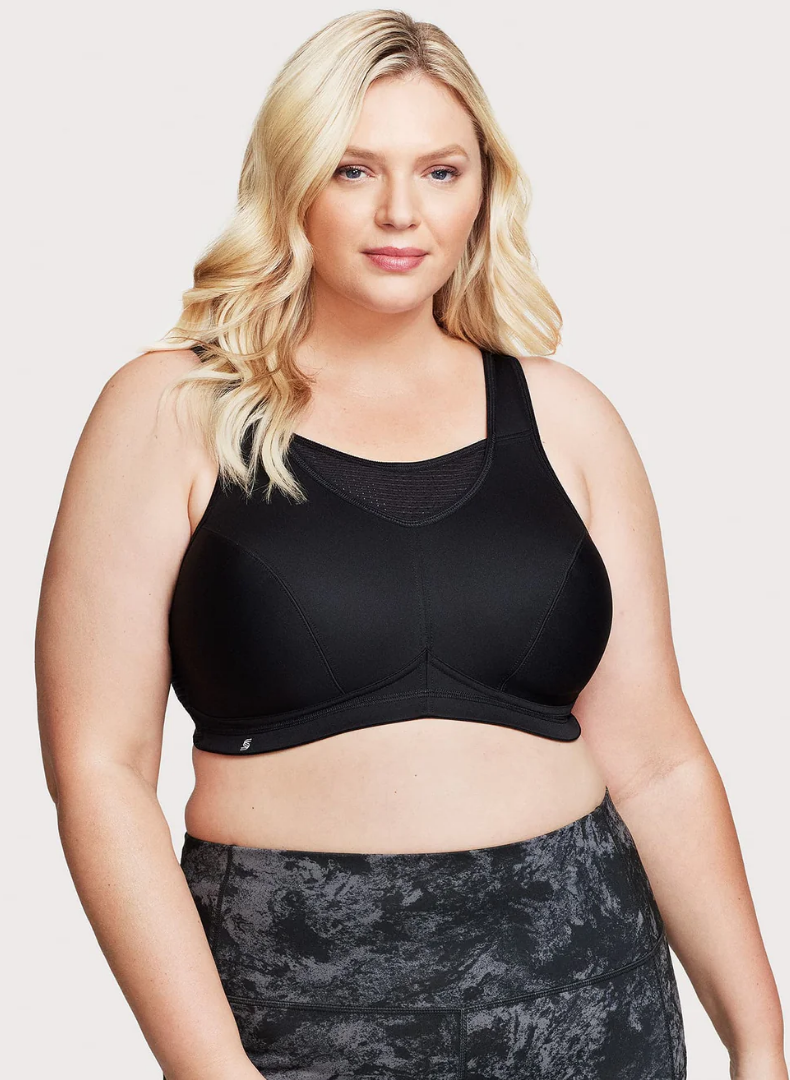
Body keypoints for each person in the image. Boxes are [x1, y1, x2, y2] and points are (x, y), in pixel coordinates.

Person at [35, 10, 786, 1080]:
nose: (401, 212)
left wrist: (760, 1041)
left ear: (484, 188)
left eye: (440, 171)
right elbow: (99, 770)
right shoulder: (173, 409)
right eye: (354, 170)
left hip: (587, 989)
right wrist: (211, 1069)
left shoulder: (567, 420)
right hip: (296, 1004)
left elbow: (658, 760)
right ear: (292, 183)